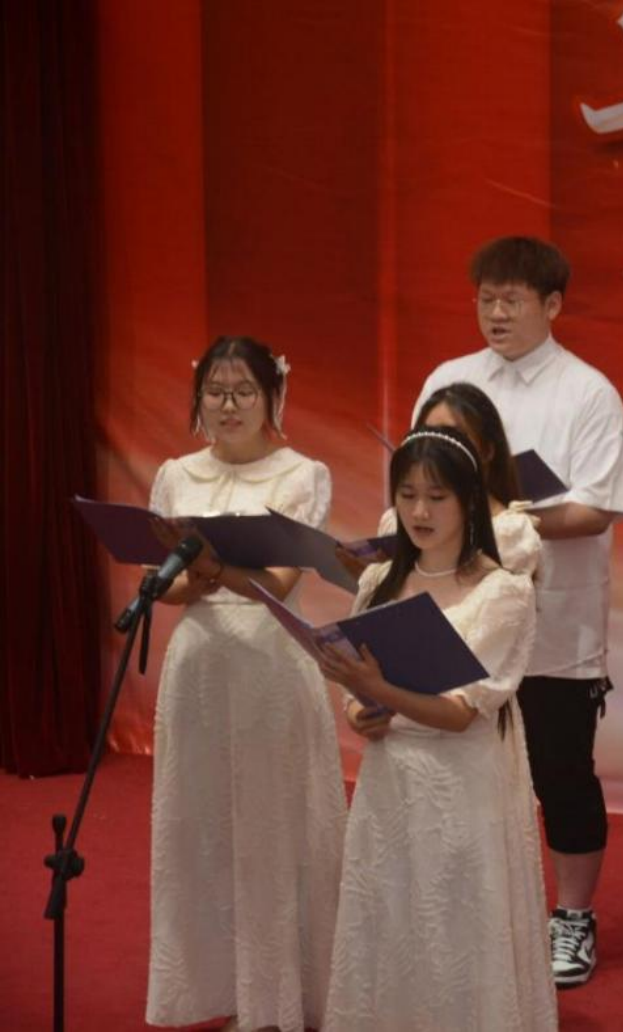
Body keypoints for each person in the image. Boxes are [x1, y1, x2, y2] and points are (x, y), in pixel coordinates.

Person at [413, 237, 623, 986]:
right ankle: (467, 907)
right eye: (486, 299)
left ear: (553, 305)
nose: (496, 314)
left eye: (512, 300)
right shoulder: (449, 381)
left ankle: (572, 916)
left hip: (555, 623)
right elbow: (418, 481)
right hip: (458, 607)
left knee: (561, 771)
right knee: (455, 763)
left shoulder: (588, 393)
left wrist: (497, 512)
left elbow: (596, 509)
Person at [318, 427, 557, 1032]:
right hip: (389, 784)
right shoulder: (377, 581)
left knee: (457, 932)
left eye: (436, 497)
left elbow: (460, 713)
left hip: (461, 788)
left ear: (470, 501)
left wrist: (379, 690)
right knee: (390, 924)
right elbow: (355, 693)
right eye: (407, 495)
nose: (419, 512)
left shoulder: (503, 592)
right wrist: (361, 711)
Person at [145, 336, 345, 1032]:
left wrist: (209, 570)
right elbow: (165, 588)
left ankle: (278, 1004)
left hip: (268, 663)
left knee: (271, 831)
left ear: (272, 398)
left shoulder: (301, 475)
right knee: (200, 831)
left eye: (244, 392)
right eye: (215, 392)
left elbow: (279, 582)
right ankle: (221, 993)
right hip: (198, 667)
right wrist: (197, 577)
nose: (227, 406)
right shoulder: (176, 475)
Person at [353, 382, 542, 578]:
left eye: (452, 436)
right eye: (430, 434)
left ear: (487, 450)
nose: (437, 449)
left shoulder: (510, 535)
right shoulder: (395, 521)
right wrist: (371, 577)